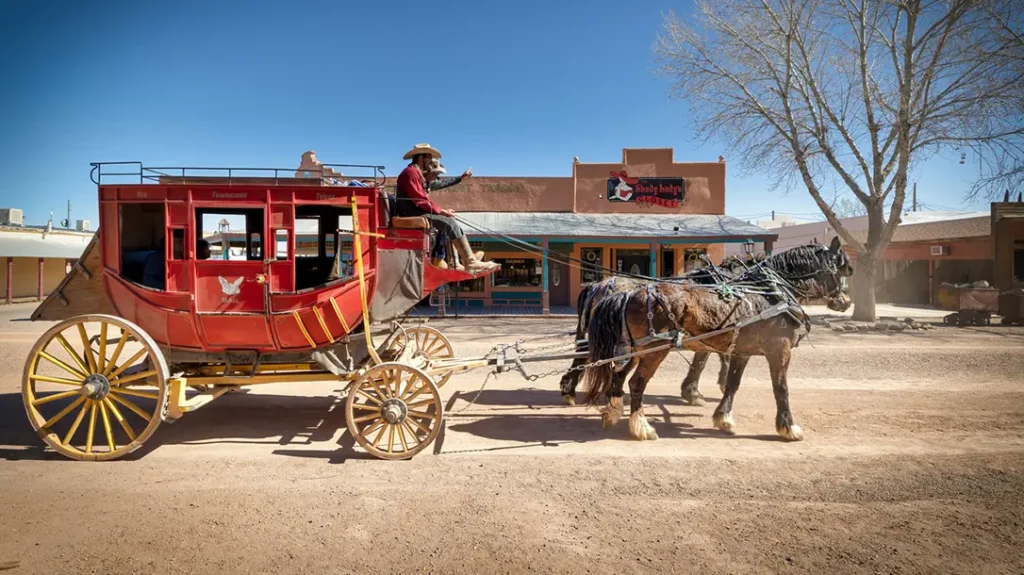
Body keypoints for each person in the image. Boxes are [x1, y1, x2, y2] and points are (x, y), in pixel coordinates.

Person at [395, 143, 497, 273]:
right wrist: (442, 211)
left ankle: (460, 261)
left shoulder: (417, 173)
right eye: (429, 157)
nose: (431, 161)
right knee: (449, 222)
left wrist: (460, 179)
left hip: (416, 211)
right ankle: (469, 262)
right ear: (421, 157)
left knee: (447, 223)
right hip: (410, 213)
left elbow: (439, 185)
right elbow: (420, 199)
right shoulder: (411, 173)